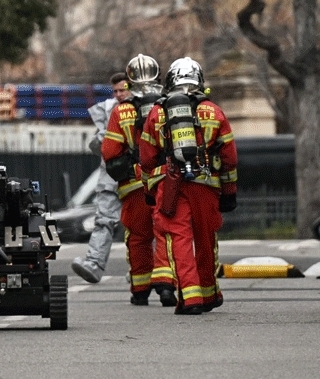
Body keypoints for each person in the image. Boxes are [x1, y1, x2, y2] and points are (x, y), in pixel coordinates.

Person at [138, 57, 238, 315]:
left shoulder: (158, 113)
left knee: (178, 239)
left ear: (170, 81)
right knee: (205, 238)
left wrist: (150, 191)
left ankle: (190, 298)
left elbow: (147, 158)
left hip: (170, 185)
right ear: (199, 80)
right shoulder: (214, 112)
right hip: (206, 185)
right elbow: (229, 158)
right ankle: (209, 293)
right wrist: (229, 193)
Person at [99, 54, 177, 306]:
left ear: (129, 81)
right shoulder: (169, 106)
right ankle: (167, 286)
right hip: (166, 180)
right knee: (166, 233)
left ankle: (141, 289)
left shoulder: (121, 112)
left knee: (138, 236)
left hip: (134, 185)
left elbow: (110, 153)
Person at [71, 72, 130, 283]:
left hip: (136, 175)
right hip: (111, 175)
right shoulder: (107, 110)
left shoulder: (142, 107)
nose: (119, 94)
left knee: (142, 226)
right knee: (103, 220)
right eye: (115, 91)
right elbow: (98, 147)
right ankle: (94, 263)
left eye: (123, 89)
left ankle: (144, 271)